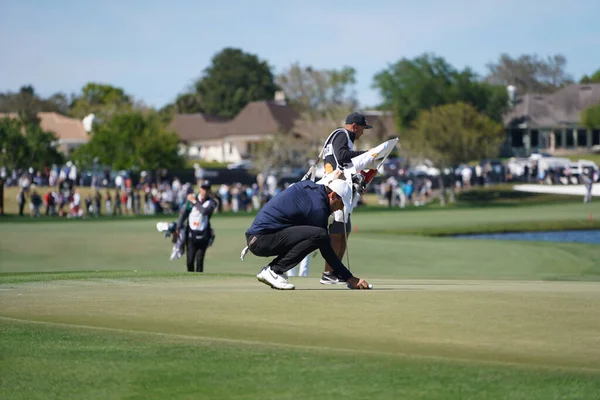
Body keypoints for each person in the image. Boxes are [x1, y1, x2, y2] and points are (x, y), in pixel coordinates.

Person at [242, 177, 371, 290]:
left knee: (315, 234)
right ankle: (274, 270)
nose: (340, 208)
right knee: (320, 235)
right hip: (262, 240)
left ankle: (274, 270)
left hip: (261, 237)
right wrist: (351, 278)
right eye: (341, 204)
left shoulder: (311, 187)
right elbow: (327, 251)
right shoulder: (318, 209)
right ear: (332, 195)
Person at [300, 112, 371, 285]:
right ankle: (328, 272)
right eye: (362, 128)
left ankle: (336, 272)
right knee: (338, 230)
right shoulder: (342, 134)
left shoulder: (342, 135)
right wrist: (368, 154)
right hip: (335, 188)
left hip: (338, 186)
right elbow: (343, 156)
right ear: (354, 126)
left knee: (345, 228)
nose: (363, 132)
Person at [174, 180, 217, 272]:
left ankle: (199, 282)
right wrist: (178, 227)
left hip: (204, 233)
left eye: (207, 188)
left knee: (200, 260)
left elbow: (204, 211)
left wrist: (194, 201)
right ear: (200, 189)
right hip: (191, 233)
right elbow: (183, 214)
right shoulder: (191, 200)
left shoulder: (212, 202)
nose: (205, 190)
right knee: (190, 260)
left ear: (209, 190)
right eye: (203, 188)